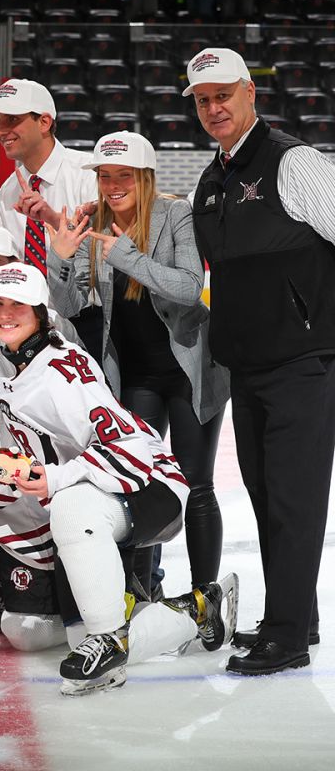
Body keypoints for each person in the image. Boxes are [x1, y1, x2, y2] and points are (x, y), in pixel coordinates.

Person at [0, 263, 235, 693]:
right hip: (89, 496)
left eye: (17, 304)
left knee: (70, 506)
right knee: (80, 638)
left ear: (40, 312)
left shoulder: (62, 371)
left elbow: (130, 447)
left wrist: (58, 478)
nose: (5, 313)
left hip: (149, 483)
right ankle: (197, 610)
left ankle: (110, 637)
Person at [184, 47, 335, 674]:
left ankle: (286, 638)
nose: (213, 108)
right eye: (201, 100)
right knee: (267, 496)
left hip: (304, 361)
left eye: (224, 95)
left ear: (251, 93)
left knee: (295, 503)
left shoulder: (293, 162)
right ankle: (296, 618)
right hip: (246, 366)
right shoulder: (211, 179)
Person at [48, 131, 228, 596]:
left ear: (144, 177)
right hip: (135, 376)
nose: (112, 185)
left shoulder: (175, 215)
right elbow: (68, 305)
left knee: (196, 484)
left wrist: (126, 255)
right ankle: (144, 591)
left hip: (189, 372)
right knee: (142, 483)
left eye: (122, 175)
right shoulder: (95, 225)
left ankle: (205, 596)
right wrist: (61, 258)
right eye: (105, 176)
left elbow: (190, 287)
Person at [0, 79, 101, 359]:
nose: (1, 131)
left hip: (92, 323)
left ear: (44, 122)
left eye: (12, 120)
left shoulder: (89, 173)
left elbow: (109, 255)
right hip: (30, 325)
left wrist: (56, 221)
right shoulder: (8, 191)